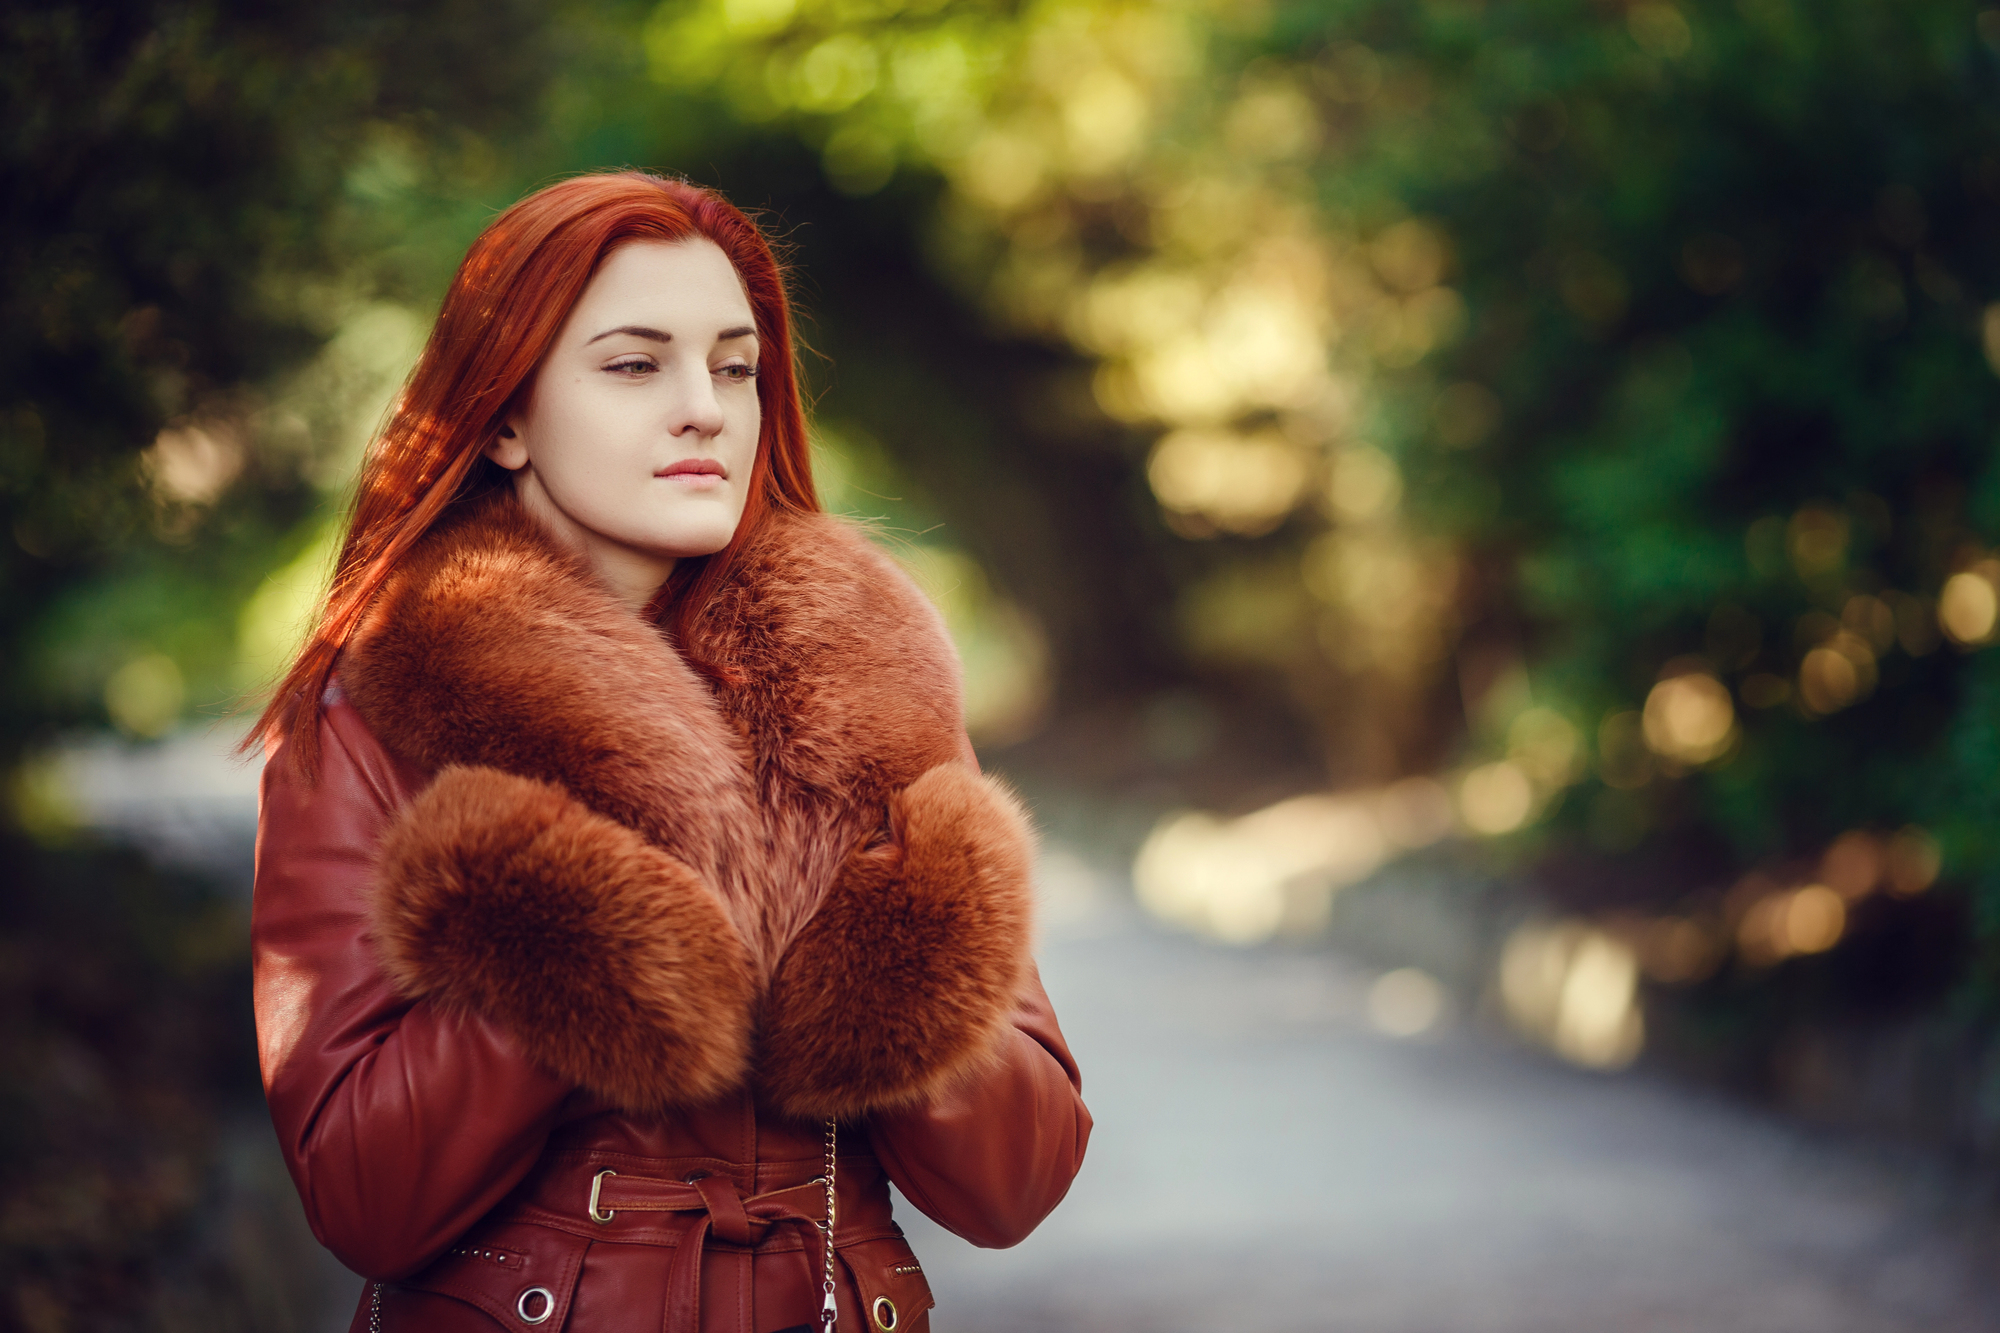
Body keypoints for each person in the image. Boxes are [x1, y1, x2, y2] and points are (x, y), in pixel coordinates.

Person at [248, 171, 1090, 1333]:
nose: (703, 408)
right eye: (635, 365)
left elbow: (1015, 1182)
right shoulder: (370, 716)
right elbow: (363, 1200)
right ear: (502, 417)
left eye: (733, 366)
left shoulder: (863, 690)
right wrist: (573, 925)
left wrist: (880, 940)